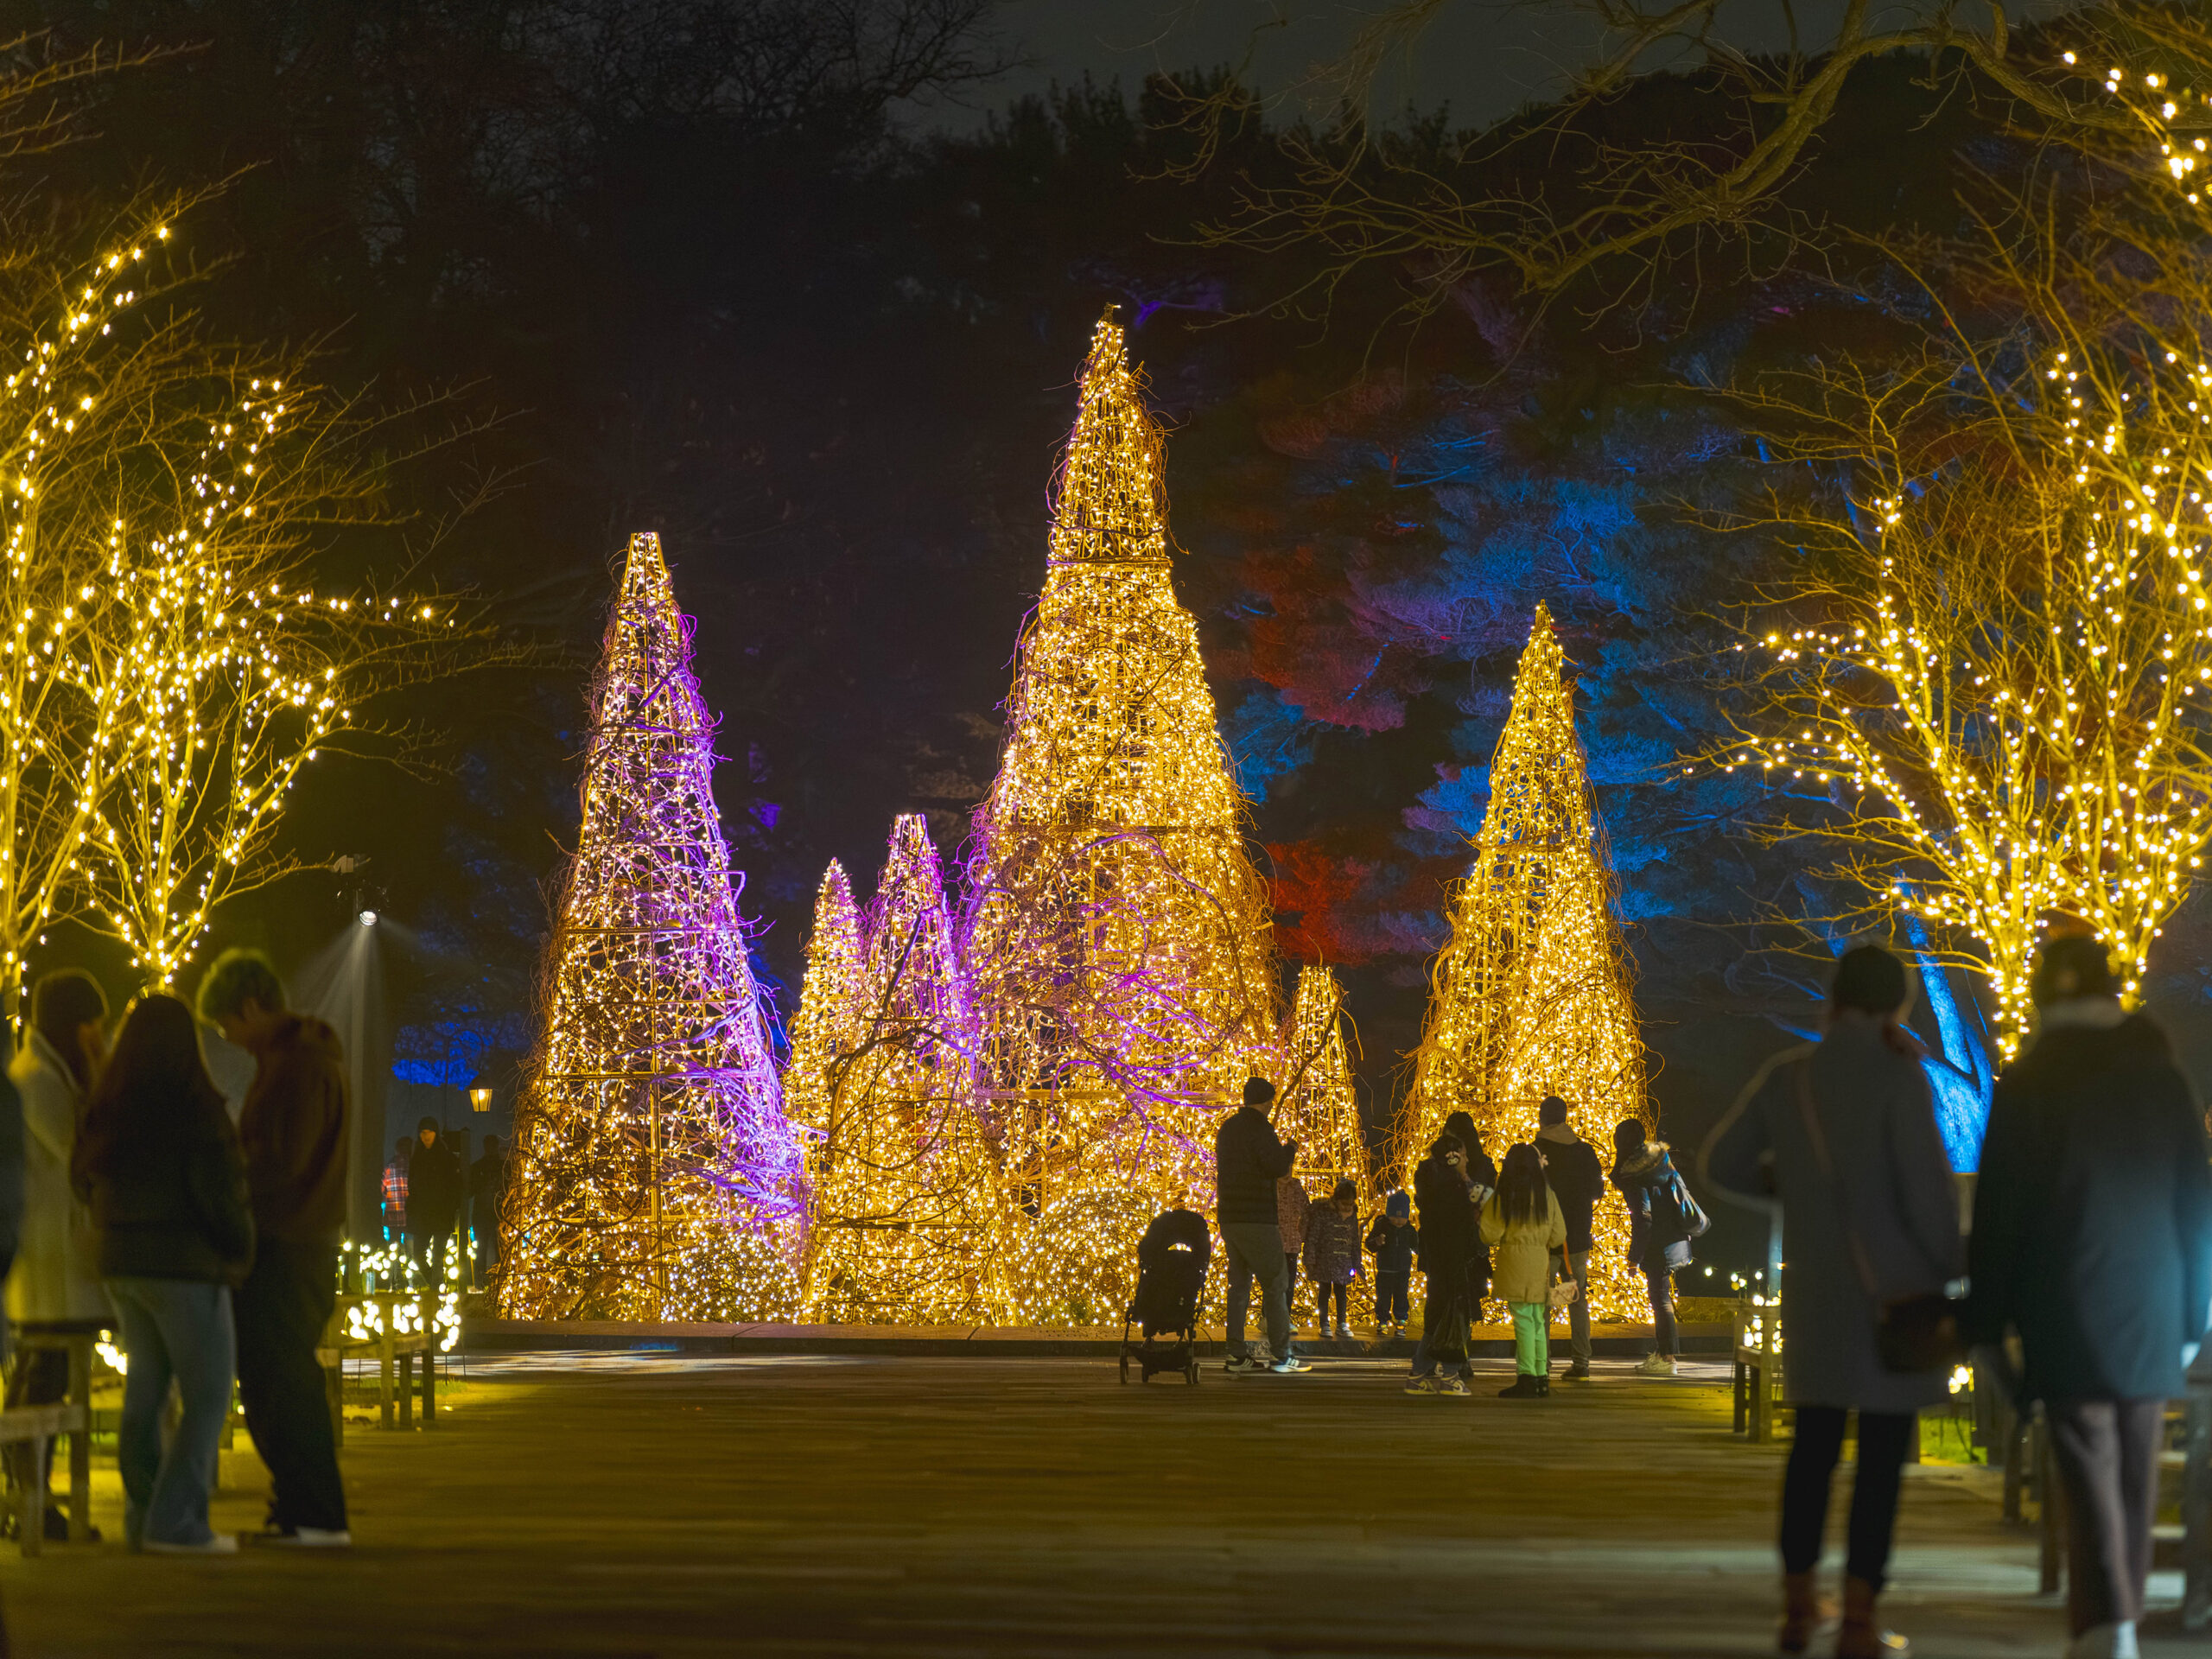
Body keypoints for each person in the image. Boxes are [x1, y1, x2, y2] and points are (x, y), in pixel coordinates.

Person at [1703, 944, 1962, 1659]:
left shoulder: (1790, 1076)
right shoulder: (1901, 1077)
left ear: (1836, 997)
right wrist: (1953, 1267)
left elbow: (1722, 1162)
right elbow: (1928, 1190)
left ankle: (1796, 1606)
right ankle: (1858, 1619)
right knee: (1881, 1460)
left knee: (1812, 1450)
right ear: (1896, 1003)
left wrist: (1791, 1188)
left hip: (1816, 1291)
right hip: (1894, 1295)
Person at [1965, 936, 2212, 1659]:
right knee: (2135, 1461)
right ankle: (2117, 1615)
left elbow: (1999, 1213)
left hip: (2063, 1296)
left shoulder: (2031, 1081)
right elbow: (2194, 1201)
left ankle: (2107, 1624)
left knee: (2085, 1456)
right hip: (2155, 1300)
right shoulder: (2160, 1076)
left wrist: (1986, 1321)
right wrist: (2193, 1314)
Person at [71, 995, 253, 1554]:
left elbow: (82, 1178)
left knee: (144, 1393)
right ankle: (174, 1522)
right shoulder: (194, 1107)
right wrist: (239, 1249)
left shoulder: (107, 1105)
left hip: (123, 1264)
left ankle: (143, 1512)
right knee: (208, 1393)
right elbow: (220, 1192)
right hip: (184, 1265)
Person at [198, 949, 353, 1547]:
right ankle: (301, 1508)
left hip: (288, 1243)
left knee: (280, 1377)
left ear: (251, 1007)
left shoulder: (296, 1068)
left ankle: (313, 1512)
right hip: (302, 1239)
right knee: (280, 1375)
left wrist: (229, 1176)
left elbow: (280, 1162)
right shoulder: (302, 1060)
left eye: (226, 1025)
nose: (229, 1039)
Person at [4, 970, 111, 1539]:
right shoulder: (39, 1080)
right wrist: (99, 1070)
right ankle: (31, 1505)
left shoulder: (43, 1073)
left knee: (42, 1381)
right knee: (40, 1384)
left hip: (56, 1259)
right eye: (94, 1025)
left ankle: (31, 1502)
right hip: (51, 1260)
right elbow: (82, 1153)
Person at [1214, 1077, 1306, 1376]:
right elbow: (1276, 1167)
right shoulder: (1261, 1129)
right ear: (1266, 1101)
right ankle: (1282, 1354)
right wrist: (1289, 1149)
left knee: (1239, 1287)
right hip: (1257, 1217)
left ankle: (1236, 1353)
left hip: (1230, 1217)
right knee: (1276, 1282)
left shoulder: (1228, 1128)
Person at [1482, 1143, 1567, 1400]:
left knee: (1523, 1319)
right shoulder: (1546, 1194)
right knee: (1538, 1319)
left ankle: (1527, 1376)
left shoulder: (1505, 1193)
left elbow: (1489, 1233)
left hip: (1513, 1260)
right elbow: (1559, 1235)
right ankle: (1541, 1377)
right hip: (1539, 1261)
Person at [1611, 1121, 1694, 1376]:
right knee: (1661, 1297)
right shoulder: (1660, 1162)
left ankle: (1668, 1358)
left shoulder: (1635, 1174)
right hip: (1675, 1236)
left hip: (1658, 1242)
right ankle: (1662, 1355)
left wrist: (1634, 1257)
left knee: (1660, 1299)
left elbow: (1643, 1217)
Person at [1404, 1134, 1482, 1396]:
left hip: (1438, 1261)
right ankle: (1450, 1375)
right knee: (1454, 1318)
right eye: (1464, 1154)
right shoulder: (1453, 1189)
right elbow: (1478, 1209)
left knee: (1437, 1318)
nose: (1468, 1159)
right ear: (1453, 1158)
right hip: (1454, 1261)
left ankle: (1419, 1374)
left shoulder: (1431, 1183)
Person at [1535, 1095, 1605, 1382]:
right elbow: (1597, 1191)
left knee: (1541, 1302)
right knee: (1576, 1300)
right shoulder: (1584, 1152)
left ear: (1542, 1118)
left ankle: (1541, 1364)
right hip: (1575, 1239)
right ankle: (1581, 1362)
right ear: (1565, 1117)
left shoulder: (1536, 1151)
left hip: (1544, 1239)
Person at [405, 1117, 463, 1291]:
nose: (426, 1136)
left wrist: (451, 1207)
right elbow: (412, 1184)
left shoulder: (445, 1157)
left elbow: (454, 1185)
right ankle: (436, 1285)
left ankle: (436, 1290)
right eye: (423, 1132)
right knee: (418, 1254)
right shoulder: (418, 1158)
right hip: (423, 1214)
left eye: (429, 1132)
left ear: (435, 1133)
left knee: (437, 1257)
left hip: (441, 1213)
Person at [1301, 1178, 1362, 1339]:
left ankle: (1342, 1323)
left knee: (1342, 1291)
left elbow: (1355, 1240)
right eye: (1344, 1204)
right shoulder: (1323, 1214)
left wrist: (1357, 1262)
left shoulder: (1352, 1216)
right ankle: (1324, 1323)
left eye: (1350, 1204)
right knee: (1325, 1290)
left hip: (1344, 1262)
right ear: (1336, 1200)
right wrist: (1310, 1258)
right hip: (1325, 1260)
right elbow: (1313, 1236)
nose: (1347, 1208)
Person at [1366, 1189, 1415, 1338]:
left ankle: (1401, 1322)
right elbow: (1369, 1244)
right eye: (1395, 1217)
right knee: (1383, 1298)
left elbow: (1417, 1245)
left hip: (1402, 1270)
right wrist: (1377, 1242)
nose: (1399, 1221)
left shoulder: (1409, 1230)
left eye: (1402, 1218)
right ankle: (1382, 1321)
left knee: (1401, 1297)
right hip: (1385, 1270)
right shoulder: (1382, 1226)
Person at [1274, 1171, 1312, 1329]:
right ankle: (1269, 1318)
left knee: (1289, 1284)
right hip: (1274, 1243)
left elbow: (1307, 1211)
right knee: (1274, 1283)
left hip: (1292, 1244)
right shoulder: (1271, 1186)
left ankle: (1284, 1318)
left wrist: (1301, 1233)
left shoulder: (1296, 1187)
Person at [469, 1132, 507, 1281]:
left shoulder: (478, 1167)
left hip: (485, 1214)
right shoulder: (503, 1167)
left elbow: (470, 1190)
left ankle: (482, 1279)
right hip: (497, 1214)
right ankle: (498, 1278)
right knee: (497, 1248)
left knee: (483, 1248)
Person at [381, 1135, 410, 1244]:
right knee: (410, 1245)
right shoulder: (413, 1165)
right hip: (409, 1212)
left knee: (394, 1244)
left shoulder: (389, 1166)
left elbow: (383, 1189)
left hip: (392, 1213)